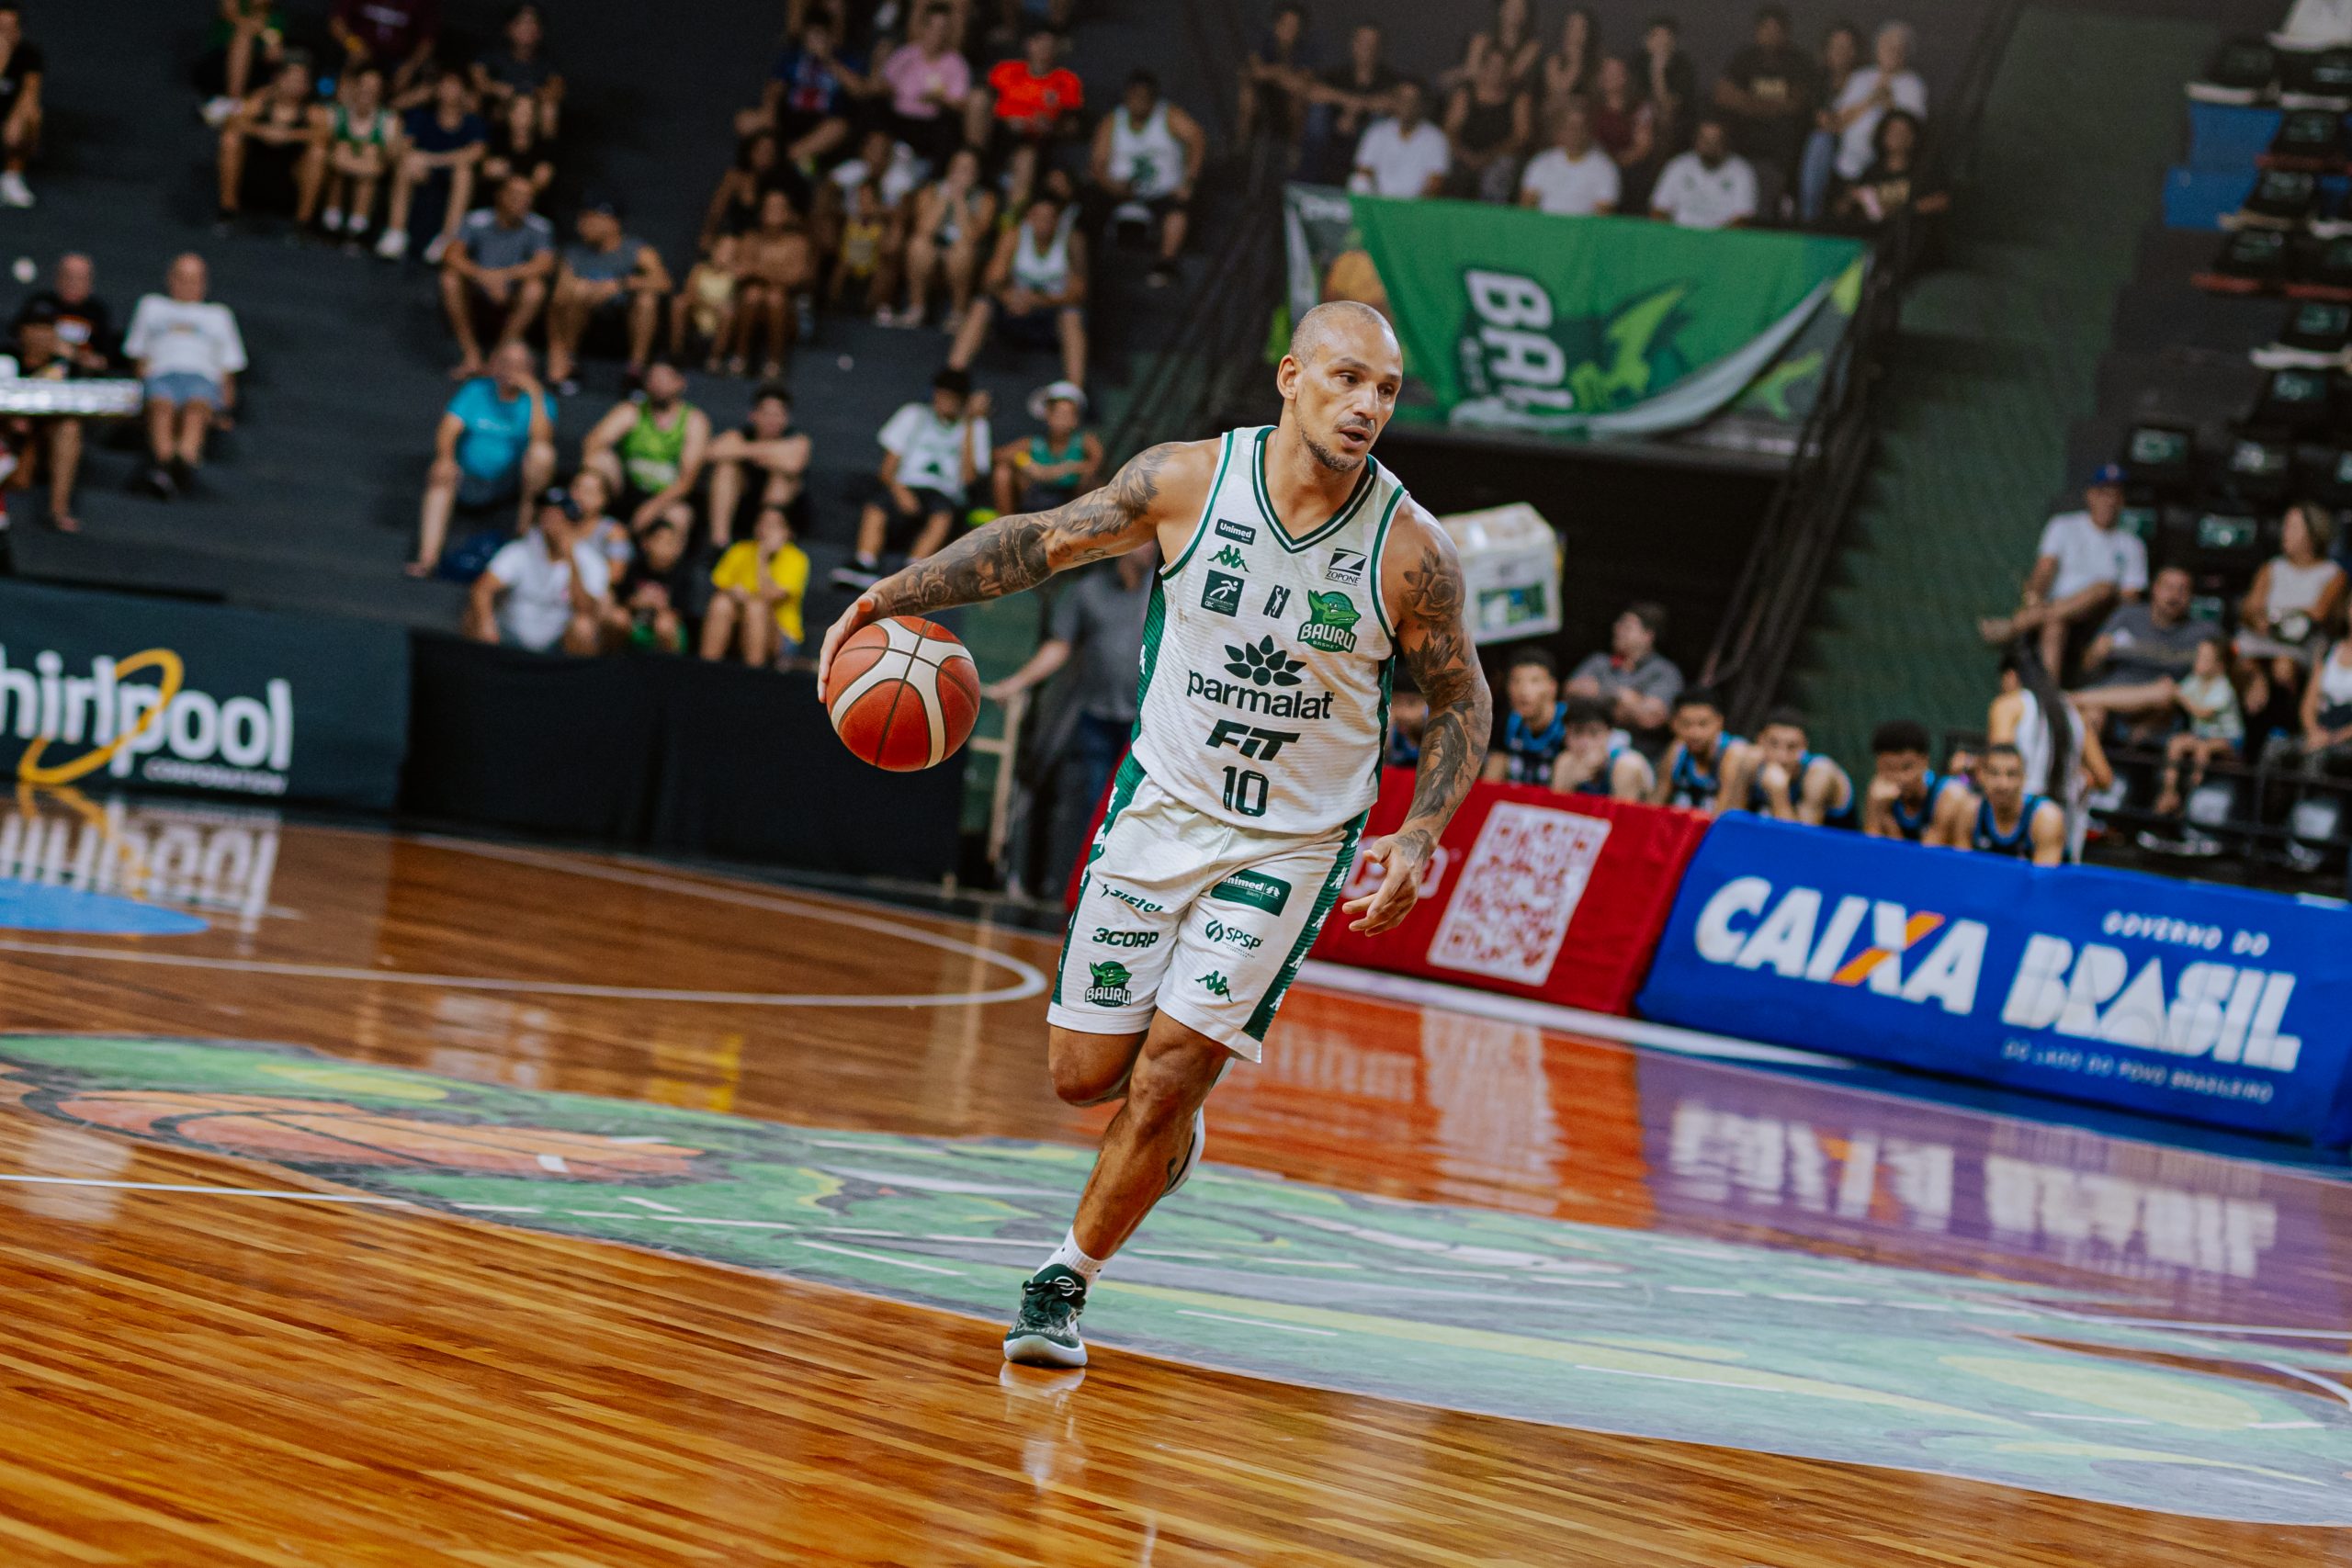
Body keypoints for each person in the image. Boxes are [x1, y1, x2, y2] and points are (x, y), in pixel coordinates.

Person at [813, 299, 1489, 1371]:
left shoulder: (1411, 550)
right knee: (1083, 1077)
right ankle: (1171, 1132)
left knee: (1169, 1073)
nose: (1366, 405)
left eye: (1386, 390)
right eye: (1346, 378)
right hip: (1159, 812)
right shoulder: (1186, 482)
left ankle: (1062, 1281)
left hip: (1291, 845)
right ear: (1290, 377)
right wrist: (890, 597)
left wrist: (1418, 835)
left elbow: (1459, 698)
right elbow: (1040, 542)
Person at [981, 547, 1159, 884]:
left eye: (1153, 541)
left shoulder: (1165, 589)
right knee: (1092, 802)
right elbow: (1059, 646)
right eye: (1143, 539)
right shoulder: (1087, 591)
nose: (1149, 547)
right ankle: (1078, 884)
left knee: (1138, 810)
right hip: (1097, 717)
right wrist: (1015, 683)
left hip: (1145, 723)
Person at [1977, 466, 2148, 680]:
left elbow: (2129, 599)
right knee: (2055, 623)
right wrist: (2033, 598)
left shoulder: (2132, 544)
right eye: (2103, 494)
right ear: (2090, 495)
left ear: (2123, 501)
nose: (2109, 501)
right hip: (2056, 608)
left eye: (2116, 495)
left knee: (2103, 588)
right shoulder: (2063, 525)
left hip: (2099, 619)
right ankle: (2050, 693)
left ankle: (2017, 625)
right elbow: (2044, 569)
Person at [833, 367, 992, 587]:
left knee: (942, 514)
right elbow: (887, 469)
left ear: (963, 400)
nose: (945, 402)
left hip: (946, 493)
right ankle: (865, 563)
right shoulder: (913, 414)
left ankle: (913, 570)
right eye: (942, 395)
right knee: (877, 505)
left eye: (952, 398)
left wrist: (967, 424)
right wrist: (900, 492)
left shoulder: (976, 426)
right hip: (906, 485)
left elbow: (969, 479)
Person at [409, 341, 557, 575]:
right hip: (468, 476)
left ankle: (524, 530)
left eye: (519, 365)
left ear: (530, 369)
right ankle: (428, 557)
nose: (512, 370)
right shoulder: (476, 390)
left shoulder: (541, 401)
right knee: (440, 471)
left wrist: (536, 394)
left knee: (542, 455)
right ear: (496, 364)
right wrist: (445, 459)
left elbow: (542, 439)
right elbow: (448, 429)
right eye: (507, 363)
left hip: (511, 482)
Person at [124, 254, 246, 500]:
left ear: (204, 283)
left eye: (194, 279)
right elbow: (138, 356)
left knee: (196, 409)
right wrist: (140, 394)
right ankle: (171, 467)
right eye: (181, 278)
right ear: (170, 279)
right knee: (161, 406)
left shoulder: (218, 315)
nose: (187, 285)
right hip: (161, 375)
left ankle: (169, 470)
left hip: (202, 379)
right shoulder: (151, 306)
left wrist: (224, 409)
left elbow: (228, 368)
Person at [950, 192, 1087, 386]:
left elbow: (1078, 293)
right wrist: (1009, 298)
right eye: (1038, 217)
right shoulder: (1014, 236)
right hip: (1014, 311)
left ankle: (1074, 390)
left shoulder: (1072, 241)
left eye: (1049, 218)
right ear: (1029, 217)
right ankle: (952, 377)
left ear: (1058, 220)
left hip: (1049, 316)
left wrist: (1039, 301)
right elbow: (990, 281)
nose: (1044, 223)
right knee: (981, 305)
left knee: (1072, 316)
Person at [2070, 566, 2222, 739]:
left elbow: (2221, 674)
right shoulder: (2127, 615)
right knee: (2091, 715)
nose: (2174, 595)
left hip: (2163, 709)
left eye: (2182, 589)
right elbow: (2088, 666)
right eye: (2168, 587)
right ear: (2155, 589)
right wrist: (2096, 652)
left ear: (2191, 596)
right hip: (2112, 698)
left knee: (2164, 691)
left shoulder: (2205, 632)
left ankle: (2071, 699)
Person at [1089, 72, 1205, 290]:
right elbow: (1098, 163)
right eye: (1135, 97)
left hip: (1163, 192)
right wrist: (1111, 186)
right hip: (1121, 190)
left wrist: (1189, 179)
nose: (1139, 103)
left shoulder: (1168, 115)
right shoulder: (1113, 121)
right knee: (1088, 204)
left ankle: (1165, 263)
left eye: (1144, 98)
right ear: (1127, 97)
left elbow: (1197, 137)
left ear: (1153, 99)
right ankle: (1088, 267)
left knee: (1178, 211)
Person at [2235, 502, 2345, 730]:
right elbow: (2250, 608)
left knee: (2283, 667)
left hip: (2301, 645)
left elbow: (2317, 615)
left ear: (2313, 534)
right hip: (2261, 641)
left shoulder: (2333, 574)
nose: (2284, 533)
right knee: (2242, 663)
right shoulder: (2271, 567)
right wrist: (2265, 619)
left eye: (2292, 527)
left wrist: (2274, 617)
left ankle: (2286, 729)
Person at [465, 485, 610, 656]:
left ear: (571, 521)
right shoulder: (520, 550)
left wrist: (570, 559)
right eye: (545, 513)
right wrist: (486, 624)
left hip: (557, 642)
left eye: (556, 515)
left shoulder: (590, 561)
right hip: (508, 635)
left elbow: (586, 610)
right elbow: (482, 589)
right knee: (472, 616)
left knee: (584, 627)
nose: (548, 519)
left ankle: (572, 673)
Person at [543, 201, 673, 390]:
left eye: (591, 219)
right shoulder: (573, 253)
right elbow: (559, 298)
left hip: (624, 316)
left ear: (613, 223)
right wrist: (586, 290)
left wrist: (620, 284)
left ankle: (635, 371)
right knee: (575, 293)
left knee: (647, 300)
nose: (582, 225)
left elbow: (664, 282)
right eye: (582, 219)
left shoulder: (636, 250)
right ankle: (569, 362)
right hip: (583, 315)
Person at [440, 174, 556, 379]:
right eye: (516, 194)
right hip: (478, 284)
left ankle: (498, 357)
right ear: (500, 195)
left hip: (512, 287)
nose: (522, 201)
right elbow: (451, 255)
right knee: (449, 279)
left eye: (528, 196)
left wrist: (503, 276)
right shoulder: (476, 220)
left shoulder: (540, 226)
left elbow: (544, 264)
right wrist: (482, 275)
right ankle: (471, 354)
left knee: (535, 290)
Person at [374, 68, 488, 264]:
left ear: (463, 90)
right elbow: (405, 147)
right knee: (406, 166)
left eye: (454, 85)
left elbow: (475, 153)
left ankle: (447, 238)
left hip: (449, 173)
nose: (449, 90)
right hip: (423, 172)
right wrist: (411, 157)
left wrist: (431, 160)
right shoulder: (422, 116)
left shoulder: (472, 122)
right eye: (445, 84)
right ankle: (396, 232)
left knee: (464, 173)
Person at [581, 363, 711, 532]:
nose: (658, 385)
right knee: (595, 462)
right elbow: (592, 443)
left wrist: (652, 507)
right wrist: (597, 486)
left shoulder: (694, 420)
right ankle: (583, 533)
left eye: (664, 379)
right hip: (627, 489)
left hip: (665, 495)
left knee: (679, 516)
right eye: (653, 378)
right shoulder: (632, 410)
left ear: (680, 383)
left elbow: (686, 481)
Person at [1713, 4, 1814, 220]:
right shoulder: (1744, 59)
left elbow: (1796, 104)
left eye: (1776, 30)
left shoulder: (1799, 62)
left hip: (1781, 152)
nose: (1771, 35)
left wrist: (1747, 103)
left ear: (1786, 33)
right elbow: (1722, 95)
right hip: (1741, 145)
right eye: (1766, 29)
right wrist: (1775, 105)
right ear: (1757, 32)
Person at [981, 24, 1085, 213]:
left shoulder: (1066, 81)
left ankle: (1011, 220)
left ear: (1057, 50)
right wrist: (1007, 121)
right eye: (1040, 44)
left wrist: (1052, 127)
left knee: (1027, 158)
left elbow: (1073, 126)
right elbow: (984, 103)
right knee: (978, 100)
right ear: (1029, 44)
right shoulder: (1006, 70)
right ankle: (976, 156)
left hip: (1041, 142)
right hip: (1000, 134)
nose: (1044, 50)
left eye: (1050, 46)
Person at [739, 13, 870, 162]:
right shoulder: (792, 57)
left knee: (837, 128)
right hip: (790, 115)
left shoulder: (845, 59)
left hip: (822, 118)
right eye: (811, 36)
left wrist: (828, 60)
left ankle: (787, 157)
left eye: (819, 36)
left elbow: (859, 91)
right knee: (745, 120)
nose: (814, 42)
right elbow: (775, 87)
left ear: (829, 37)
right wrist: (770, 112)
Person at [889, 145, 996, 329]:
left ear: (977, 173)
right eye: (958, 168)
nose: (962, 174)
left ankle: (958, 313)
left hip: (964, 252)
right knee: (918, 245)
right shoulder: (931, 190)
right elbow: (924, 229)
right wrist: (946, 196)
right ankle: (916, 309)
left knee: (962, 251)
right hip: (933, 247)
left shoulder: (986, 198)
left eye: (968, 169)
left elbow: (972, 236)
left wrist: (960, 200)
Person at [217, 53, 329, 224]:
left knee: (318, 153)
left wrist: (288, 135)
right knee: (230, 139)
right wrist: (262, 131)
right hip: (253, 175)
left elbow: (325, 134)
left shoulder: (313, 112)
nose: (294, 84)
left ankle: (303, 221)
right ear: (278, 78)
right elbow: (232, 120)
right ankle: (228, 208)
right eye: (290, 78)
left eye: (300, 80)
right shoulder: (260, 100)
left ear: (308, 85)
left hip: (288, 181)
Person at [704, 382, 812, 549]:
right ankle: (719, 544)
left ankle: (766, 542)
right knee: (726, 469)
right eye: (767, 414)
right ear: (753, 415)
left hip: (784, 513)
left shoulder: (797, 439)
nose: (771, 420)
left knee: (782, 477)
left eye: (777, 415)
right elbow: (711, 452)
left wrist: (742, 450)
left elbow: (794, 463)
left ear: (786, 418)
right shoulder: (740, 434)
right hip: (743, 504)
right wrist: (770, 453)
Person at [702, 504, 810, 668]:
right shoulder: (740, 549)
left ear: (787, 532)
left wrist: (762, 557)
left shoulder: (796, 558)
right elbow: (719, 583)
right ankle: (706, 668)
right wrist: (734, 592)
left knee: (756, 607)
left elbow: (769, 595)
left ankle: (755, 674)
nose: (765, 529)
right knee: (721, 603)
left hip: (780, 636)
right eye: (762, 523)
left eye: (773, 525)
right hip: (737, 626)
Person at [1826, 23, 1925, 200]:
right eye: (1887, 45)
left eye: (1898, 47)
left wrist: (1888, 103)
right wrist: (1871, 100)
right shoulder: (1860, 77)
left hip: (1885, 172)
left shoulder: (1912, 84)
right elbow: (1838, 122)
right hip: (1850, 165)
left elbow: (1911, 131)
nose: (1893, 51)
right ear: (1877, 49)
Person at [1565, 601, 1682, 750]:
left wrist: (1600, 694)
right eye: (1618, 625)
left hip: (1639, 749)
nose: (1617, 629)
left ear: (1648, 636)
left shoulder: (1664, 671)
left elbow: (1650, 718)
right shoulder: (1599, 661)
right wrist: (1624, 698)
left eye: (1627, 627)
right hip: (1587, 742)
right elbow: (1571, 692)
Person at [2151, 637, 2244, 819]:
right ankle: (2169, 792)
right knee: (2176, 743)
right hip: (2202, 735)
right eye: (2198, 656)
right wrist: (2168, 687)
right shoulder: (2195, 680)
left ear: (2220, 666)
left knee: (2202, 750)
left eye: (2205, 659)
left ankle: (2189, 797)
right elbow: (2179, 692)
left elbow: (2203, 713)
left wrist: (2178, 695)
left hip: (2229, 739)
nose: (2198, 662)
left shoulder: (2223, 687)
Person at [8, 303, 83, 532]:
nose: (41, 335)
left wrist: (71, 360)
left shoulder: (63, 364)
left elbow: (84, 398)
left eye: (47, 328)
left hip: (45, 433)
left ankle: (58, 510)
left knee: (69, 428)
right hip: (10, 433)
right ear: (22, 331)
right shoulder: (7, 359)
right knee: (20, 480)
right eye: (35, 327)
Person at [1302, 23, 1403, 186]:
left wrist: (1357, 108)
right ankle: (1308, 180)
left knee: (1381, 118)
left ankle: (1369, 184)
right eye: (1363, 42)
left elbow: (1395, 100)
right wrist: (1348, 103)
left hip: (1368, 137)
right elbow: (1314, 92)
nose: (1367, 49)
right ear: (1353, 44)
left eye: (1372, 44)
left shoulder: (1388, 78)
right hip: (1333, 135)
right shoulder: (1337, 74)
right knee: (1317, 111)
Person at [1722, 709, 1856, 826]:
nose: (1782, 757)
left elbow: (1800, 843)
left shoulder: (1820, 775)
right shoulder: (1750, 764)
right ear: (1760, 741)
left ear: (1804, 746)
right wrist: (1741, 778)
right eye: (1774, 744)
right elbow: (1726, 828)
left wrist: (1779, 795)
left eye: (1792, 747)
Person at [878, 6, 972, 170]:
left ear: (949, 32)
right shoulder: (905, 54)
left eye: (943, 28)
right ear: (923, 28)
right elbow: (884, 84)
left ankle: (934, 175)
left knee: (947, 129)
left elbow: (960, 102)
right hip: (899, 120)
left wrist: (939, 99)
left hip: (930, 125)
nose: (937, 33)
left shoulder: (956, 63)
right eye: (933, 27)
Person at [992, 380, 1101, 517]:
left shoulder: (1086, 441)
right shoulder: (1034, 442)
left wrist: (1060, 470)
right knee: (1002, 471)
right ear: (1047, 415)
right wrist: (1025, 463)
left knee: (1092, 482)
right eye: (1057, 413)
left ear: (1076, 418)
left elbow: (1097, 465)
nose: (1061, 419)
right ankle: (1006, 524)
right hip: (1035, 499)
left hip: (1071, 502)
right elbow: (997, 455)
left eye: (1067, 414)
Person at [1835, 108, 1947, 237]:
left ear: (1914, 138)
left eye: (1903, 132)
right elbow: (1842, 211)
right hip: (1875, 239)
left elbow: (1942, 200)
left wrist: (1905, 211)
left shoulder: (1923, 171)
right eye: (1892, 130)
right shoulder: (1871, 172)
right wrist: (1850, 199)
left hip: (1914, 239)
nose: (1896, 136)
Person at [1443, 46, 1532, 204]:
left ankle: (1491, 215)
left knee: (1503, 168)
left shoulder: (1518, 97)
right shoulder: (1465, 93)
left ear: (1508, 70)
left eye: (1501, 67)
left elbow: (1521, 136)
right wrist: (1464, 154)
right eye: (1491, 66)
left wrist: (1489, 156)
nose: (1495, 71)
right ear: (1483, 67)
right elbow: (1451, 128)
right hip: (1464, 153)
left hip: (1499, 156)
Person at [1862, 717, 1972, 845]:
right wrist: (1878, 811)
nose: (1899, 777)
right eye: (1888, 768)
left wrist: (1886, 816)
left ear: (1925, 760)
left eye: (1906, 768)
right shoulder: (1877, 790)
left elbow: (1923, 855)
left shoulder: (1950, 795)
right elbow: (1870, 848)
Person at [322, 66, 401, 240]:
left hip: (371, 176)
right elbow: (326, 151)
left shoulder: (389, 120)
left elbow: (390, 160)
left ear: (381, 92)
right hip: (336, 172)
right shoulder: (336, 113)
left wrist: (365, 156)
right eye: (364, 85)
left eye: (374, 87)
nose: (367, 91)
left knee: (369, 165)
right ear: (354, 86)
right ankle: (332, 216)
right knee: (342, 162)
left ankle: (358, 223)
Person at [1797, 18, 1863, 223]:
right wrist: (1847, 119)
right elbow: (1826, 124)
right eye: (1836, 46)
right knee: (1820, 141)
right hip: (1828, 147)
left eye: (1847, 46)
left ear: (1856, 51)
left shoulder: (1866, 79)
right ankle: (1809, 221)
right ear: (1826, 50)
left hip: (1860, 143)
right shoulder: (1818, 82)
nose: (1841, 51)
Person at [606, 504, 694, 654]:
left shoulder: (683, 573)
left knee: (665, 625)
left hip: (665, 627)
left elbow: (682, 613)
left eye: (672, 543)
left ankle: (668, 665)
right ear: (646, 543)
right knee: (617, 618)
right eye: (661, 541)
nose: (666, 549)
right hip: (635, 622)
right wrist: (636, 602)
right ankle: (612, 661)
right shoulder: (634, 567)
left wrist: (661, 606)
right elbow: (619, 600)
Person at [470, 1, 564, 139]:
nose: (527, 28)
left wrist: (529, 94)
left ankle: (545, 151)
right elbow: (478, 78)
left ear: (540, 31)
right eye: (521, 22)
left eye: (533, 23)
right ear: (509, 28)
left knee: (546, 109)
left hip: (531, 113)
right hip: (497, 111)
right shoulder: (493, 55)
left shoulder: (546, 62)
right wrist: (497, 89)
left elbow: (557, 89)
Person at [13, 254, 118, 372]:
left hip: (79, 377)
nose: (73, 283)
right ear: (57, 278)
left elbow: (104, 360)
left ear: (90, 282)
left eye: (79, 278)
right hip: (36, 373)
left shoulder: (97, 312)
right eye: (68, 276)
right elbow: (20, 339)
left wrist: (73, 354)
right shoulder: (41, 304)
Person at [1350, 78, 1449, 200]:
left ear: (1421, 104)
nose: (1406, 105)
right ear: (1395, 102)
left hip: (1415, 206)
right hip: (1378, 203)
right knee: (1358, 182)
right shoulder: (1377, 132)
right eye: (1402, 99)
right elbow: (1363, 172)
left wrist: (1410, 208)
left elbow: (1435, 184)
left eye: (1412, 100)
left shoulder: (1436, 138)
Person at [1649, 115, 1756, 230]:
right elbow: (1658, 210)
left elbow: (1742, 219)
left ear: (1726, 142)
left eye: (1716, 140)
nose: (1711, 146)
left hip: (1722, 238)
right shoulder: (1678, 165)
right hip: (1679, 235)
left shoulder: (1742, 171)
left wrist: (1713, 239)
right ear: (1695, 141)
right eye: (1705, 140)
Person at [1969, 743, 2067, 864]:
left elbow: (2045, 875)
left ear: (2024, 777)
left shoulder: (2046, 819)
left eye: (2011, 774)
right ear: (1981, 775)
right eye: (1994, 773)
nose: (2003, 784)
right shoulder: (1971, 812)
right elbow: (1961, 868)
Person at [1519, 99, 1620, 216]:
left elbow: (1604, 213)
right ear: (1560, 130)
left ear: (1589, 130)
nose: (1574, 133)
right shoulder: (1541, 162)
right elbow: (1527, 205)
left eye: (1580, 127)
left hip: (1584, 227)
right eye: (1569, 127)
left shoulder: (1605, 167)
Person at [197, 0, 287, 130]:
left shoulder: (277, 17)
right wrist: (258, 29)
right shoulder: (238, 7)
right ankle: (233, 101)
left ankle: (242, 108)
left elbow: (274, 51)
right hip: (218, 67)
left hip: (256, 73)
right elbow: (229, 10)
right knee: (244, 36)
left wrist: (273, 46)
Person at [1483, 648, 1567, 784]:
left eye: (1534, 681)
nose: (1523, 691)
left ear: (1552, 687)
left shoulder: (1568, 722)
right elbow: (1491, 778)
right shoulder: (1507, 721)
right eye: (1516, 681)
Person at [1654, 688, 1747, 811]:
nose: (1695, 733)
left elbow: (1725, 814)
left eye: (1703, 724)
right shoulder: (1677, 751)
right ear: (1674, 724)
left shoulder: (1734, 753)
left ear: (1719, 722)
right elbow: (1655, 804)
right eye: (1686, 724)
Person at [1237, 3, 1312, 147]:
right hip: (1265, 93)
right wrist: (1279, 72)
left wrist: (1274, 74)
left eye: (1294, 26)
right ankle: (1241, 146)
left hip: (1288, 99)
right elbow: (1255, 71)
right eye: (1286, 24)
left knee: (1299, 103)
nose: (1289, 30)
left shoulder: (1304, 50)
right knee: (1247, 94)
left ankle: (1294, 149)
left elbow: (1303, 83)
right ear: (1277, 25)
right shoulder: (1264, 42)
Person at [1550, 694, 1653, 798]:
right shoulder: (1565, 761)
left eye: (1594, 733)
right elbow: (1556, 806)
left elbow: (1623, 808)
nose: (1585, 742)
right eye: (1577, 733)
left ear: (1609, 734)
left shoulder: (1628, 765)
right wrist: (1571, 783)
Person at [330, 0, 437, 96]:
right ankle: (342, 108)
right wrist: (354, 45)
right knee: (352, 63)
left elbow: (428, 40)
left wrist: (410, 67)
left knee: (423, 84)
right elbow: (337, 22)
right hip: (362, 54)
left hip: (399, 61)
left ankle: (390, 110)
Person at [1447, 0, 1543, 96]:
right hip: (1475, 95)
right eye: (1511, 7)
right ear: (1501, 10)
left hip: (1509, 97)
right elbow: (1471, 74)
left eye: (1520, 8)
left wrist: (1481, 74)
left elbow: (1512, 76)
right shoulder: (1480, 40)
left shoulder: (1532, 46)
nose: (1515, 12)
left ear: (1526, 14)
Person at [1589, 55, 1657, 190]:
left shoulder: (1641, 108)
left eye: (1616, 73)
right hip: (1591, 169)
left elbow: (1642, 148)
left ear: (1626, 76)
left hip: (1627, 172)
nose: (1610, 77)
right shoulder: (1590, 107)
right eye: (1606, 72)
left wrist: (1611, 167)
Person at [479, 86, 558, 201]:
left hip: (530, 207)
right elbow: (485, 170)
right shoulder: (496, 138)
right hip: (493, 204)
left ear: (535, 118)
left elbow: (542, 180)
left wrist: (511, 181)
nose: (523, 117)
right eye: (519, 111)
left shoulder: (544, 144)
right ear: (509, 114)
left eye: (528, 112)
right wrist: (486, 172)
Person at [0, 4, 43, 209]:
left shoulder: (28, 54)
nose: (4, 33)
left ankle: (11, 178)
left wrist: (16, 123)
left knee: (32, 116)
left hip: (8, 117)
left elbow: (30, 93)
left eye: (10, 28)